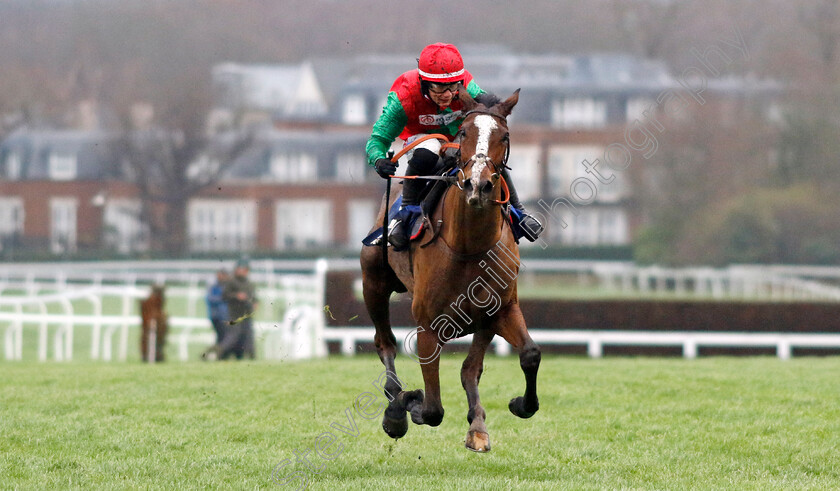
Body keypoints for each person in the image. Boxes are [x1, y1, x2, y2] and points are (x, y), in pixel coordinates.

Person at [365, 42, 544, 249]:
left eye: (453, 86)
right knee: (427, 153)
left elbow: (487, 112)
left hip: (459, 139)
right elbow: (377, 139)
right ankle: (404, 215)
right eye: (440, 87)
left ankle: (518, 212)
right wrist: (378, 159)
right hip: (422, 140)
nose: (448, 94)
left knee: (483, 155)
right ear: (424, 82)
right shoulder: (404, 96)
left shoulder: (466, 87)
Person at [216, 259, 258, 360]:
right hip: (235, 315)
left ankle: (252, 358)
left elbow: (254, 297)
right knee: (232, 337)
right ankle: (217, 353)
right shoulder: (231, 282)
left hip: (247, 315)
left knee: (248, 339)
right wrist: (236, 296)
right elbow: (224, 296)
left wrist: (256, 303)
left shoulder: (249, 283)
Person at [201, 269, 229, 360]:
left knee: (222, 338)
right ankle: (212, 354)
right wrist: (223, 298)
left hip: (224, 316)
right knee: (222, 337)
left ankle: (212, 355)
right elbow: (210, 299)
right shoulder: (214, 286)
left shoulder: (225, 286)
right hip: (216, 317)